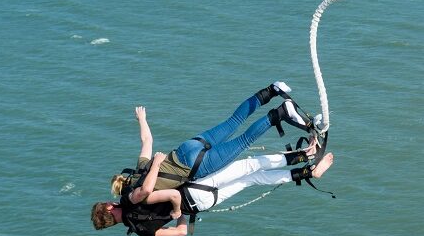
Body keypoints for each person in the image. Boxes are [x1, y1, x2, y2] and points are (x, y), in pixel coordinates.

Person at [110, 82, 312, 216]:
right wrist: (142, 119)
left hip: (197, 165)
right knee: (233, 121)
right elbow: (147, 140)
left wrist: (177, 211)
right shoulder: (139, 168)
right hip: (186, 148)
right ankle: (271, 90)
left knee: (243, 141)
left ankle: (281, 113)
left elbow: (153, 191)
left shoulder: (140, 195)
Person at [90, 151, 334, 236]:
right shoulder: (132, 202)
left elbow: (181, 231)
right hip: (193, 191)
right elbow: (172, 197)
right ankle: (306, 157)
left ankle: (307, 172)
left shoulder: (141, 232)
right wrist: (176, 208)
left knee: (251, 179)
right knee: (249, 166)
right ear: (110, 209)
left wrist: (181, 215)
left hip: (201, 205)